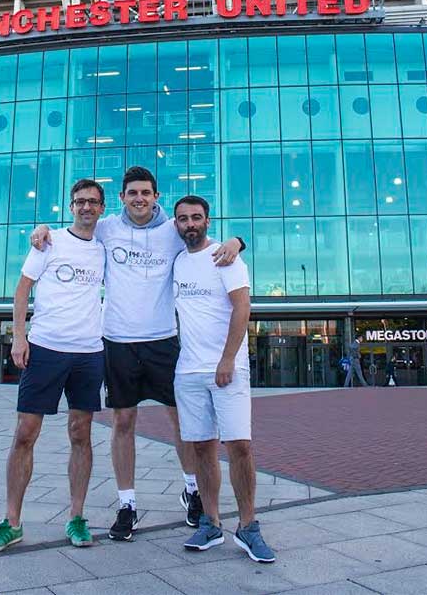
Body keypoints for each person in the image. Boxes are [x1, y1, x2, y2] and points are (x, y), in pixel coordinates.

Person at [31, 166, 245, 541]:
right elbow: (74, 225)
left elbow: (202, 236)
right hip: (118, 340)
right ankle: (126, 504)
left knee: (182, 422)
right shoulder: (108, 227)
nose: (139, 199)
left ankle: (192, 490)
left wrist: (238, 241)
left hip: (163, 339)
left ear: (156, 196)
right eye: (132, 193)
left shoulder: (171, 231)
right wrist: (41, 230)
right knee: (123, 423)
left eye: (146, 193)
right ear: (122, 198)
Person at [0, 178, 107, 554]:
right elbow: (22, 289)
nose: (86, 207)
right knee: (25, 433)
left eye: (92, 202)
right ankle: (12, 522)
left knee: (81, 433)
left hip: (89, 352)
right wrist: (19, 337)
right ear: (71, 206)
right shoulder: (49, 240)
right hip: (46, 348)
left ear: (102, 208)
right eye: (79, 201)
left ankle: (77, 517)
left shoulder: (105, 246)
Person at [172, 195, 275, 562]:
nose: (190, 224)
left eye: (196, 218)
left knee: (240, 446)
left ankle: (248, 526)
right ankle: (210, 522)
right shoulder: (177, 260)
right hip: (188, 371)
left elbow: (242, 307)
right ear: (176, 224)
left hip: (227, 369)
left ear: (208, 221)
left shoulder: (227, 257)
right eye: (183, 219)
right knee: (201, 447)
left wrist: (228, 359)